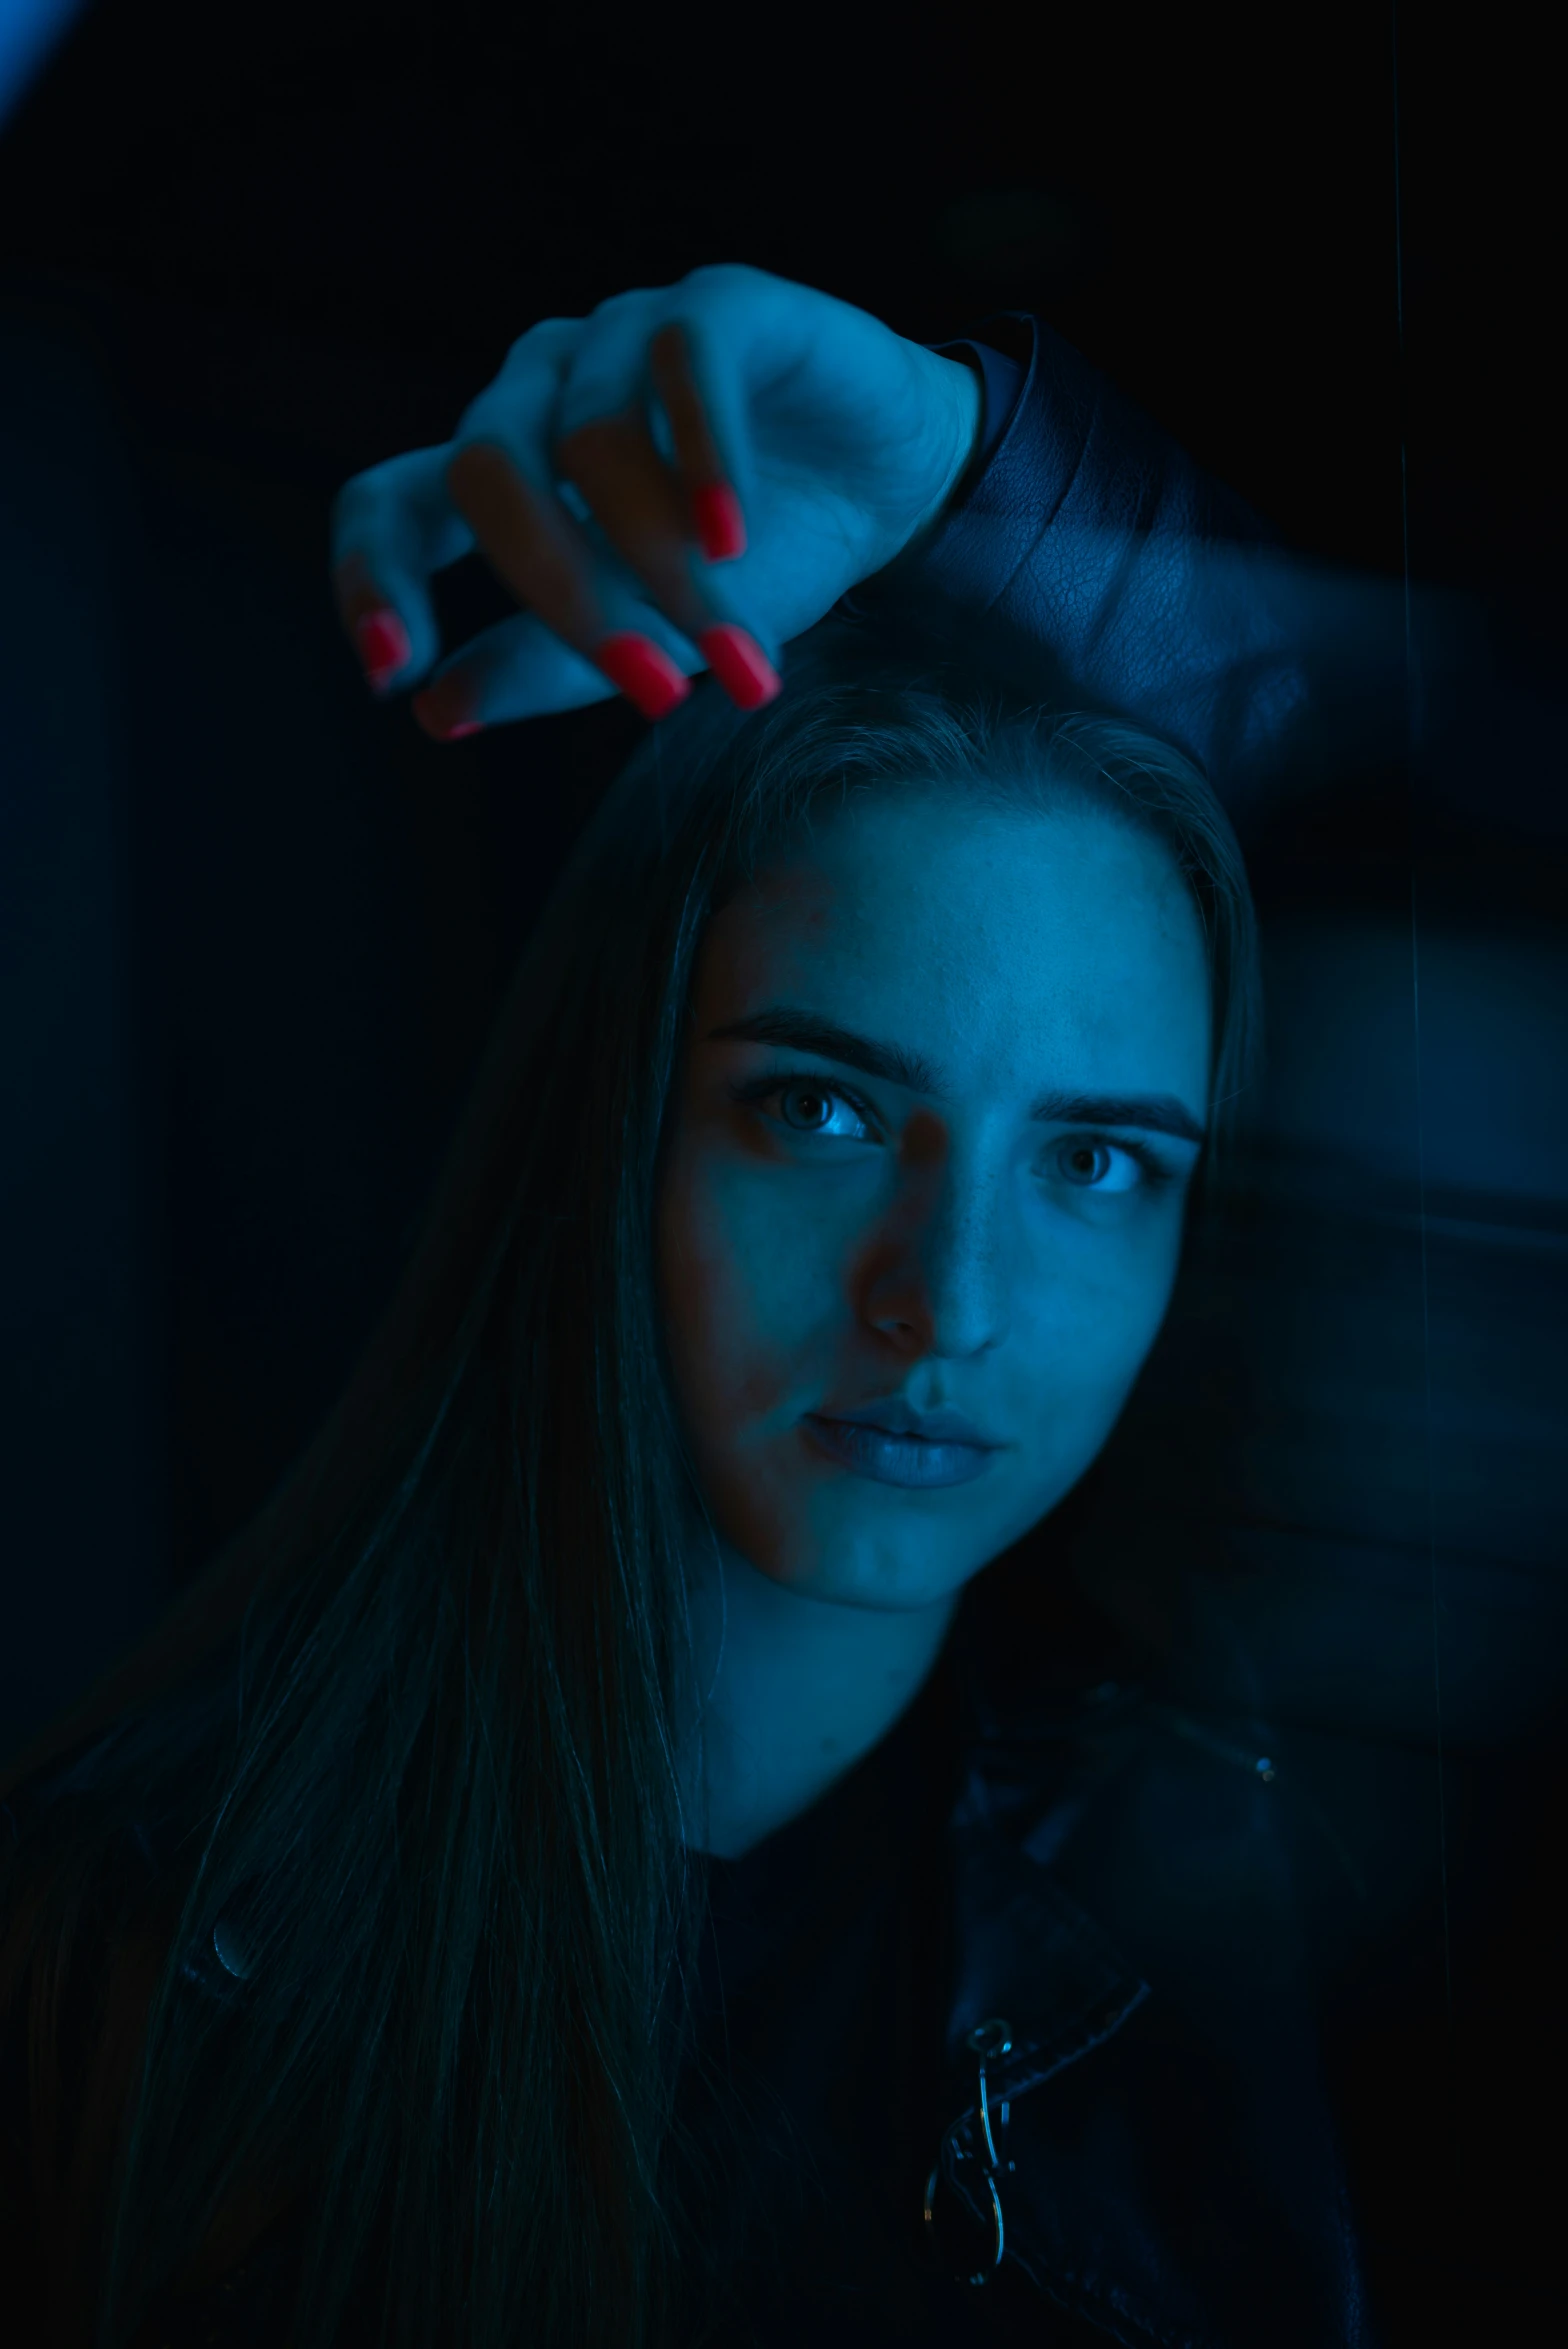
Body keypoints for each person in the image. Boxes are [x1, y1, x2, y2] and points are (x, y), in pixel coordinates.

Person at [0, 265, 1377, 2348]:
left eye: (1097, 1161)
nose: (949, 1302)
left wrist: (987, 480)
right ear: (618, 1114)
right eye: (823, 1110)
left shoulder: (1238, 1885)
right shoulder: (121, 1955)